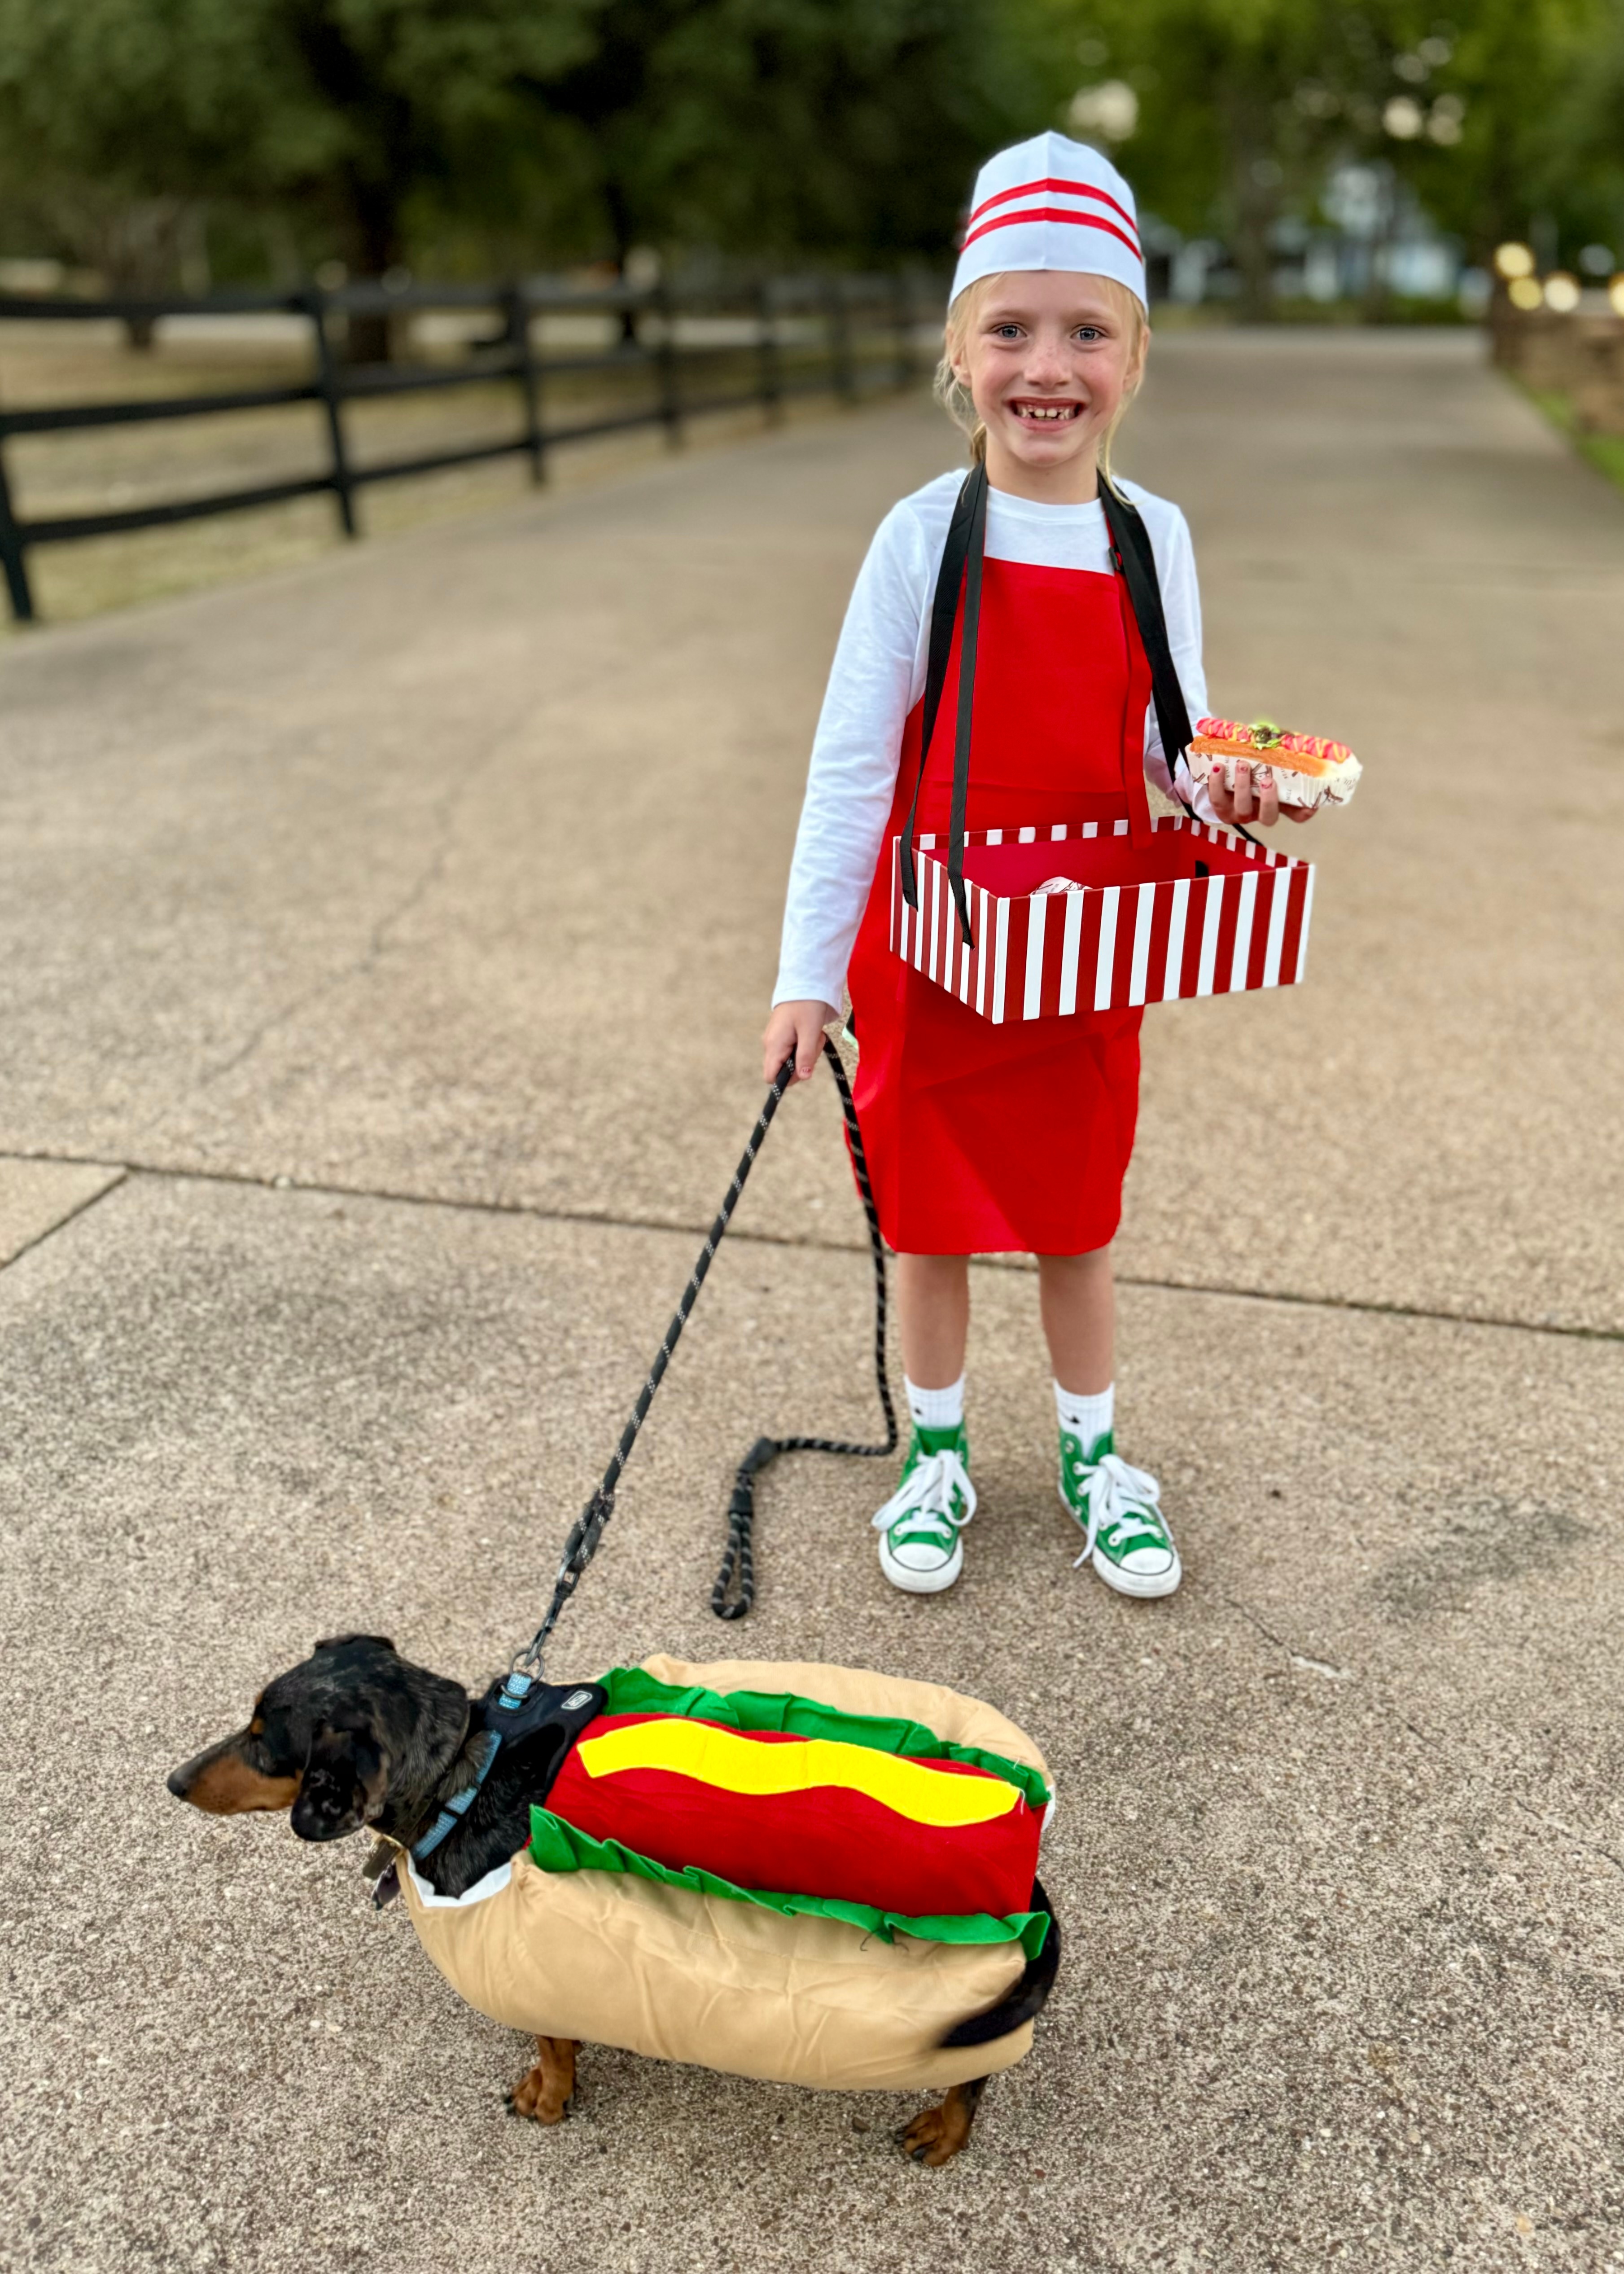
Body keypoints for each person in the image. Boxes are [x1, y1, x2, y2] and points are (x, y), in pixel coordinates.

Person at [763, 133, 1316, 1602]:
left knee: (1075, 1215)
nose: (1045, 365)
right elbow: (850, 763)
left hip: (1083, 945)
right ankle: (933, 1454)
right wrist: (805, 972)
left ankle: (1092, 1455)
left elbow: (1168, 741)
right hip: (935, 941)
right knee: (933, 1219)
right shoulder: (917, 537)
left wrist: (1234, 782)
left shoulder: (1151, 538)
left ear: (1135, 355)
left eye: (1086, 330)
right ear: (959, 350)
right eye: (1008, 329)